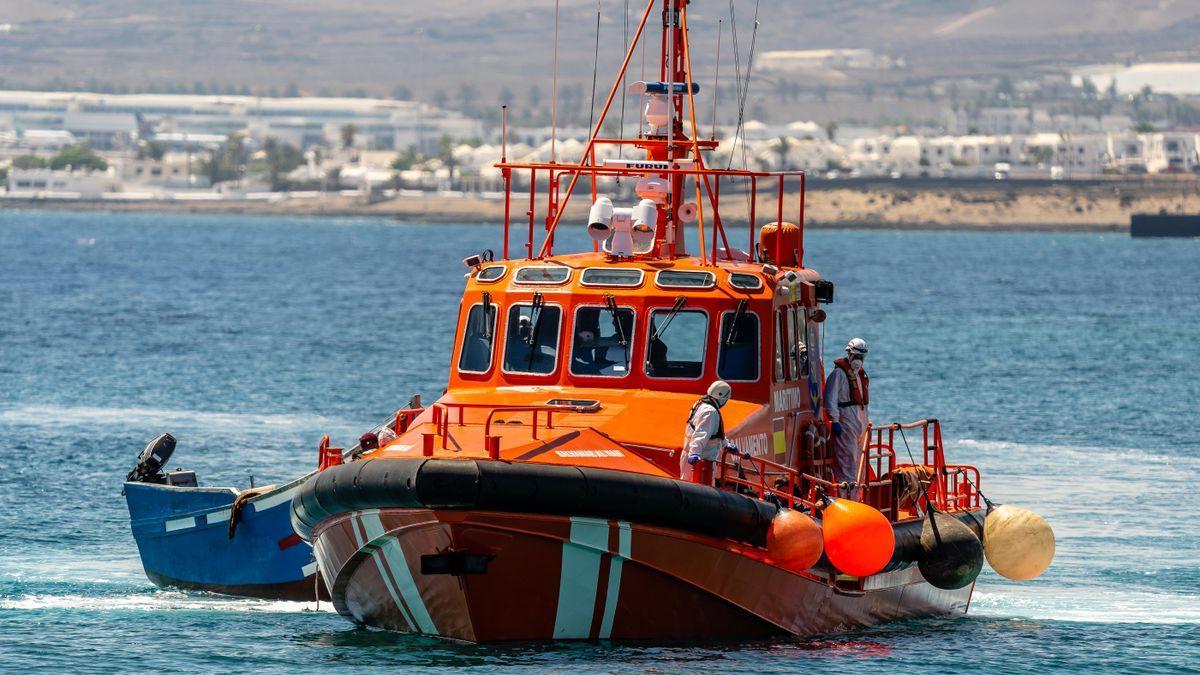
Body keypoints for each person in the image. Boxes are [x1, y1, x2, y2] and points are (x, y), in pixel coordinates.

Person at [823, 338, 870, 496]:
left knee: (858, 462)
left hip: (859, 424)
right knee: (846, 460)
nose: (858, 361)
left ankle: (857, 495)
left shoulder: (860, 376)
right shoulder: (838, 374)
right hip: (845, 423)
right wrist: (835, 420)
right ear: (849, 355)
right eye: (856, 357)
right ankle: (846, 496)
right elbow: (830, 399)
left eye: (861, 358)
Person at [680, 380, 738, 485]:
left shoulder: (700, 403)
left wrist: (725, 444)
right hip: (701, 463)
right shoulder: (710, 412)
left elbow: (714, 432)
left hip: (694, 458)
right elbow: (701, 434)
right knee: (696, 490)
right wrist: (695, 453)